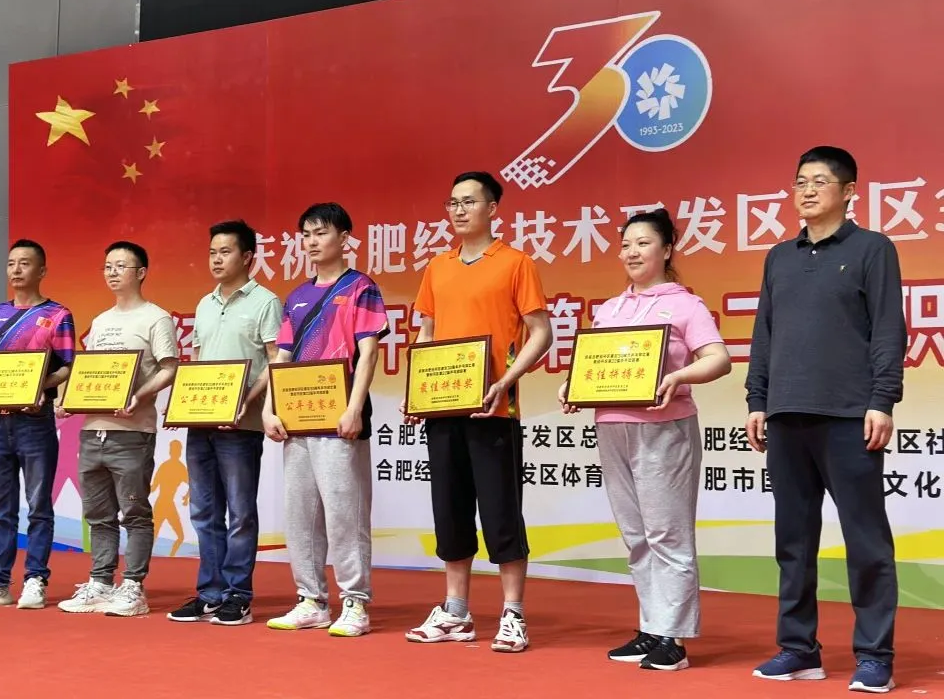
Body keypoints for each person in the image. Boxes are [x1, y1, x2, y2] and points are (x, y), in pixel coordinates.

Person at [746, 146, 905, 693]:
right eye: (799, 182)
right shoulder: (779, 257)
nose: (807, 191)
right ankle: (798, 648)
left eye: (819, 181)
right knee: (792, 540)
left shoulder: (872, 249)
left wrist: (882, 399)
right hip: (786, 415)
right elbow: (764, 332)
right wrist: (757, 399)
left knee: (866, 540)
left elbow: (888, 330)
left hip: (848, 416)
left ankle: (875, 655)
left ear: (848, 191)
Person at [557, 208, 731, 670]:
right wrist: (573, 385)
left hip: (664, 427)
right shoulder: (610, 309)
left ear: (667, 249)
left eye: (643, 243)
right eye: (626, 245)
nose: (632, 252)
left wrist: (678, 377)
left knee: (667, 533)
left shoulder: (685, 305)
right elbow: (595, 365)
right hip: (612, 426)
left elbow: (718, 358)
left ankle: (673, 638)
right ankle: (651, 626)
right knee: (636, 534)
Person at [403, 171, 552, 653]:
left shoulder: (515, 263)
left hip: (494, 409)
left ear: (492, 208)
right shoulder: (437, 266)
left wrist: (506, 381)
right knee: (449, 510)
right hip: (442, 407)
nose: (459, 210)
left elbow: (540, 332)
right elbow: (427, 333)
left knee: (501, 511)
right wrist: (417, 391)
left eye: (469, 201)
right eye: (452, 203)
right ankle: (455, 611)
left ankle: (513, 613)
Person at [262, 202, 388, 637]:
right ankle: (311, 599)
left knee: (344, 512)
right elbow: (281, 357)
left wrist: (354, 407)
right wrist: (269, 408)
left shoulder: (361, 288)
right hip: (296, 419)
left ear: (344, 238)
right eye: (307, 234)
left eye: (321, 233)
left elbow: (368, 352)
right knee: (301, 513)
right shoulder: (296, 296)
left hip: (339, 420)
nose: (312, 242)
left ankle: (355, 602)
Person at [167, 220, 282, 626]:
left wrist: (246, 401)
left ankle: (238, 595)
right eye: (212, 252)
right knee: (203, 511)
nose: (216, 259)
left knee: (240, 512)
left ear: (248, 256)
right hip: (201, 422)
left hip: (241, 426)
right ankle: (210, 594)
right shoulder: (204, 304)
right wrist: (183, 405)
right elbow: (198, 363)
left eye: (225, 252)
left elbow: (275, 360)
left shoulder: (266, 302)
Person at [0, 239, 76, 609]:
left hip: (35, 422)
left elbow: (68, 366)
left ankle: (35, 580)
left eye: (25, 263)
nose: (16, 269)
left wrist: (40, 385)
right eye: (11, 263)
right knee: (0, 508)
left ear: (42, 270)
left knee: (38, 505)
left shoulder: (58, 314)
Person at [57, 241, 179, 617]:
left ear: (141, 273)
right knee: (98, 514)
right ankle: (100, 582)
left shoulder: (156, 318)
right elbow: (91, 373)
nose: (112, 272)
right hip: (93, 429)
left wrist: (138, 396)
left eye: (120, 266)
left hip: (132, 431)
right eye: (107, 266)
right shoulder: (101, 321)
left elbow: (169, 367)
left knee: (135, 512)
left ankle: (133, 587)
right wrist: (69, 399)